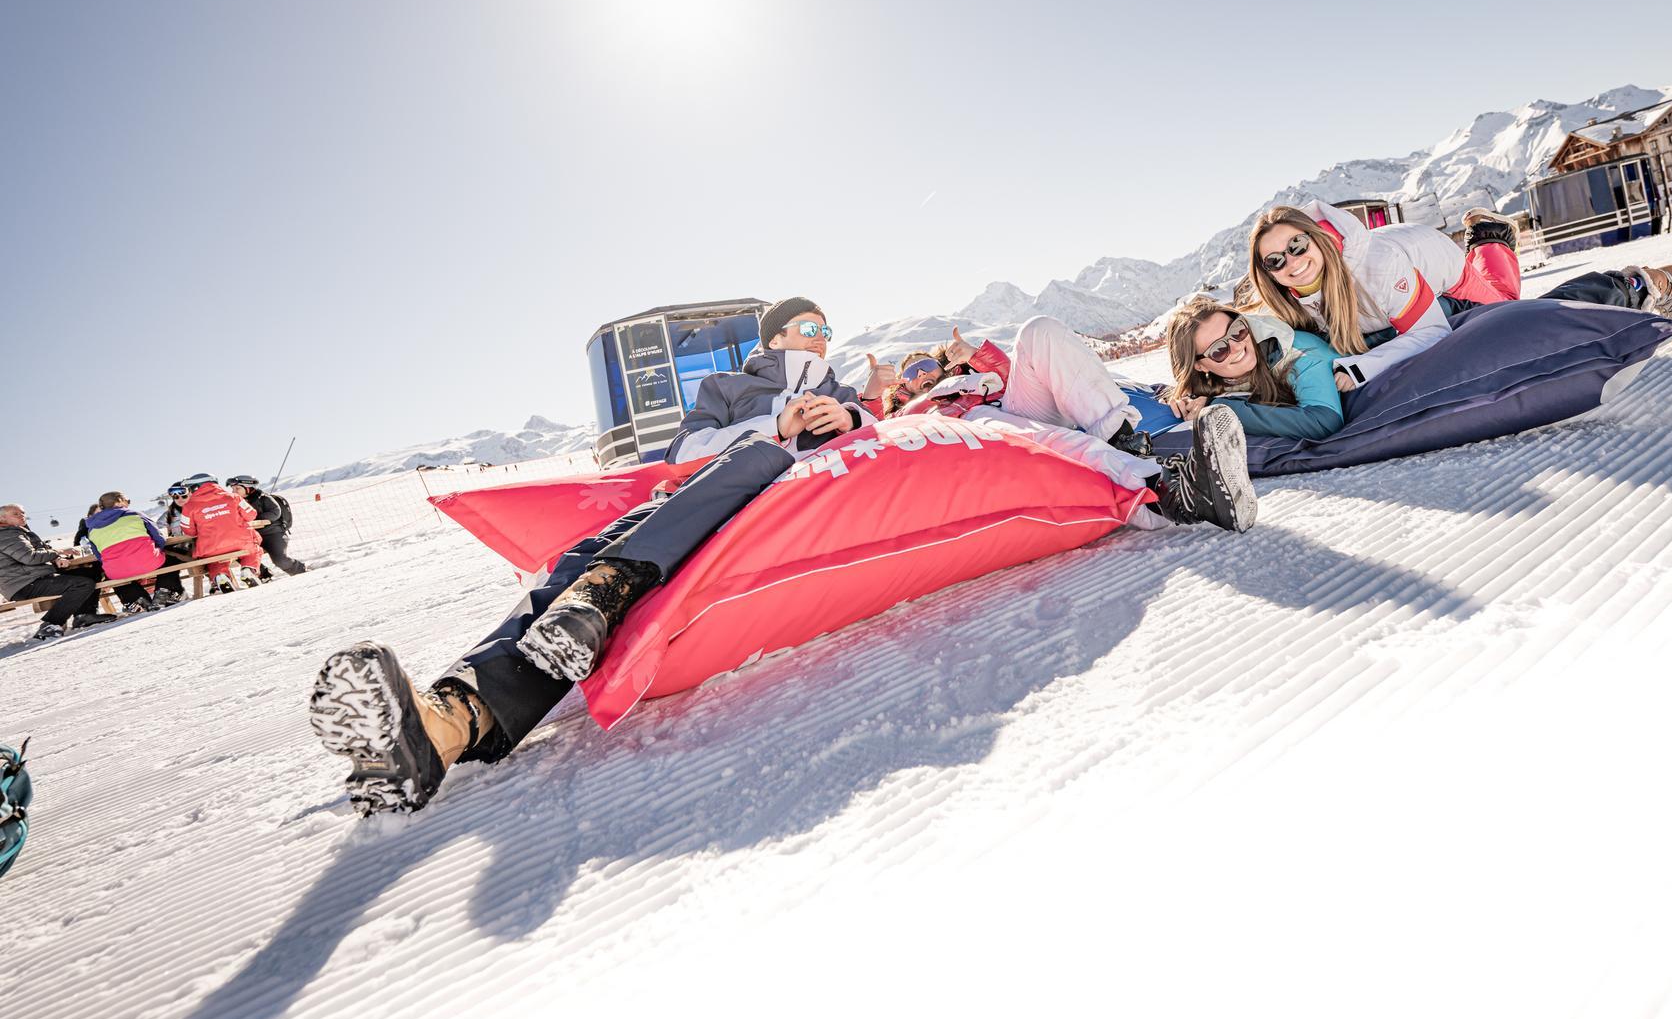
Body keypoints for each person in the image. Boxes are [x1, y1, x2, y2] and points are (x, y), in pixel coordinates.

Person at [309, 307, 1255, 814]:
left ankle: (465, 709)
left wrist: (848, 418)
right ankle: (442, 721)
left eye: (828, 337)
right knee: (629, 536)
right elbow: (675, 457)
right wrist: (781, 424)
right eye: (808, 332)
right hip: (708, 482)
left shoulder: (883, 397)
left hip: (759, 484)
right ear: (776, 340)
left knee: (626, 555)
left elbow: (906, 419)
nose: (823, 344)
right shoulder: (729, 386)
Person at [1247, 203, 1672, 390]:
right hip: (1392, 309)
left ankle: (1642, 284)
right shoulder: (1289, 303)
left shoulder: (1376, 266)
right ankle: (1492, 239)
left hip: (1439, 275)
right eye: (1275, 260)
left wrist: (1357, 369)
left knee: (1518, 321)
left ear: (1316, 240)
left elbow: (1429, 331)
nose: (1291, 261)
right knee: (1503, 302)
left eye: (1297, 246)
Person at [895, 319, 1257, 532]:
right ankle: (1168, 496)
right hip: (972, 430)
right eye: (912, 372)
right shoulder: (904, 410)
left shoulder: (972, 378)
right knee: (1058, 445)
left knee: (1039, 330)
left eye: (927, 364)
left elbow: (1015, 375)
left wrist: (975, 358)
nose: (923, 373)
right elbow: (872, 437)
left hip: (1011, 406)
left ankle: (1125, 441)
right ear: (902, 387)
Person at [665, 298, 879, 462]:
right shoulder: (725, 388)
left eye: (825, 331)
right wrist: (774, 428)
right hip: (759, 509)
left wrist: (852, 421)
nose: (820, 338)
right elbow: (683, 453)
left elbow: (886, 442)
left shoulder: (841, 394)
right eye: (808, 329)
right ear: (775, 340)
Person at [1163, 298, 1345, 443]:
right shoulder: (1214, 380)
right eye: (1219, 350)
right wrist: (1185, 405)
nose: (1236, 346)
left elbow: (1324, 422)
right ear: (1199, 366)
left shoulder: (1296, 352)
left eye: (1237, 330)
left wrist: (1223, 410)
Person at [0, 503, 117, 639]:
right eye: (16, 514)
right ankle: (51, 624)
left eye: (23, 513)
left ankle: (84, 616)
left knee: (89, 572)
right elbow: (30, 557)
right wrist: (56, 553)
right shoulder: (6, 534)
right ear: (2, 518)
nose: (22, 516)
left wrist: (57, 557)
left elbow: (40, 551)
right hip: (22, 584)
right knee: (82, 584)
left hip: (35, 577)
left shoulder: (18, 531)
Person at [77, 493, 186, 611]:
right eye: (127, 501)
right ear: (119, 502)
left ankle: (135, 600)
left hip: (116, 571)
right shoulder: (134, 515)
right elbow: (159, 537)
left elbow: (99, 556)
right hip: (148, 561)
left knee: (114, 575)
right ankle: (166, 593)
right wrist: (156, 550)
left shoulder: (92, 529)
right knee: (171, 559)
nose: (128, 504)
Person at [177, 473, 263, 590]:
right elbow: (251, 514)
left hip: (210, 547)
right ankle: (248, 570)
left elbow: (188, 531)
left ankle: (220, 576)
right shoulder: (233, 497)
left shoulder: (189, 506)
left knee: (215, 561)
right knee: (254, 550)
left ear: (195, 487)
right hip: (241, 542)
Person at [225, 475, 306, 577]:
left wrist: (255, 518)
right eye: (232, 489)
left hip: (273, 534)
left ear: (249, 488)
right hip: (252, 536)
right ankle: (264, 575)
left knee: (280, 560)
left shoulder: (264, 498)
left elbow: (275, 512)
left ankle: (301, 571)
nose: (234, 491)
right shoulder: (237, 502)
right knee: (242, 555)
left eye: (237, 488)